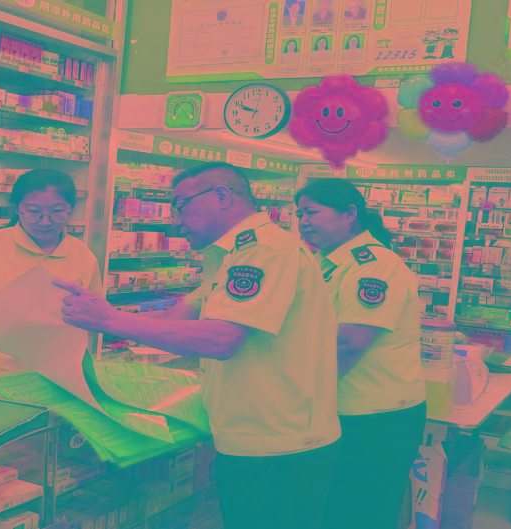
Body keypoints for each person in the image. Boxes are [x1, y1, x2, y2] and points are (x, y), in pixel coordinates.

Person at [57, 162, 341, 529]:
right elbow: (178, 318)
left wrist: (109, 320)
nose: (176, 221)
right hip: (257, 436)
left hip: (280, 445)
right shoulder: (232, 253)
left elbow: (222, 339)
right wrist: (98, 315)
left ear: (221, 196)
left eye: (180, 205)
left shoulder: (264, 250)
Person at [295, 178, 426, 529]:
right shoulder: (327, 262)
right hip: (345, 409)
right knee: (337, 509)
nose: (303, 221)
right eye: (299, 214)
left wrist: (298, 393)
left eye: (311, 212)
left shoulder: (375, 265)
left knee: (363, 513)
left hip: (377, 419)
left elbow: (349, 343)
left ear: (349, 213)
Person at [0, 169, 102, 379]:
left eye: (58, 212)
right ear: (17, 208)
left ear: (71, 209)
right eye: (33, 212)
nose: (45, 221)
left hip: (59, 378)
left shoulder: (83, 255)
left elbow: (92, 319)